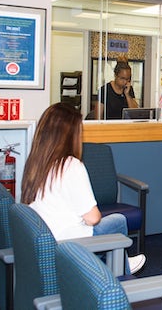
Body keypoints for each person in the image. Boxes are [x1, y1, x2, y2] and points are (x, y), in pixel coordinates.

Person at [21, 103, 146, 274]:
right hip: (70, 242)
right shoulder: (70, 165)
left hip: (46, 239)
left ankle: (112, 266)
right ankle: (121, 271)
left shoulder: (36, 162)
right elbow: (93, 218)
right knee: (118, 221)